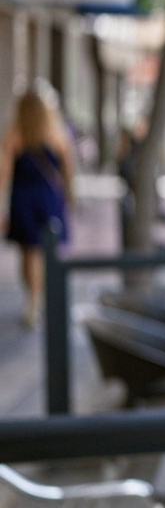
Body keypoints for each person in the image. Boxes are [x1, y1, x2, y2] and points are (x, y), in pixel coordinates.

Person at [1, 85, 76, 329]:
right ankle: (38, 296)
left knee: (28, 253)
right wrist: (69, 198)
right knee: (43, 254)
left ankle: (34, 298)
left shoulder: (15, 135)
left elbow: (4, 175)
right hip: (49, 199)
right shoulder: (57, 134)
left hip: (23, 199)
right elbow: (68, 172)